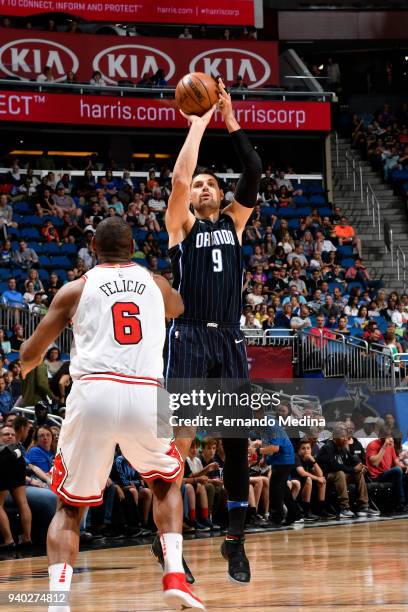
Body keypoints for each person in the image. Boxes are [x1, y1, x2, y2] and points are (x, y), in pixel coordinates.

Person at [20, 217, 205, 611]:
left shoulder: (75, 289)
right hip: (145, 392)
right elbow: (178, 306)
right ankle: (174, 574)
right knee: (166, 481)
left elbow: (30, 355)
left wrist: (22, 367)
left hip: (94, 392)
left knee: (70, 507)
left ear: (92, 245)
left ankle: (57, 603)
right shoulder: (155, 284)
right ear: (133, 247)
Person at [152, 79, 261, 586]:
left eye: (210, 184)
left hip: (230, 339)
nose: (202, 187)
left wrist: (231, 117)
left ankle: (234, 540)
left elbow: (254, 170)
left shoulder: (235, 224)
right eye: (199, 184)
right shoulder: (182, 227)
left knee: (236, 441)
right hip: (190, 336)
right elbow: (177, 180)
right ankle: (167, 540)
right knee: (182, 438)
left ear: (221, 194)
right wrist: (198, 123)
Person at [317, 423, 378, 518]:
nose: (345, 439)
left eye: (345, 436)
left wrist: (360, 465)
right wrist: (353, 469)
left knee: (359, 473)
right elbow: (335, 466)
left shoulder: (342, 447)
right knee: (340, 473)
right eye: (342, 437)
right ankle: (344, 508)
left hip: (339, 476)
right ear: (335, 437)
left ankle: (363, 506)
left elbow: (351, 460)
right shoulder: (327, 447)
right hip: (326, 476)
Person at [0, 425, 32, 549]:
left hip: (4, 462)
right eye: (6, 434)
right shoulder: (19, 450)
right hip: (17, 463)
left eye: (12, 434)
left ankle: (9, 540)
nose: (10, 436)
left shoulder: (12, 450)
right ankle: (27, 538)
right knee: (23, 503)